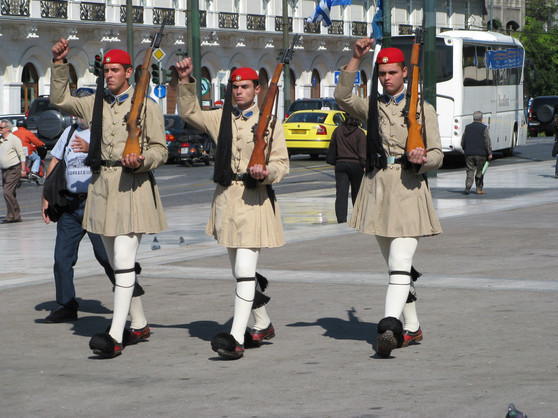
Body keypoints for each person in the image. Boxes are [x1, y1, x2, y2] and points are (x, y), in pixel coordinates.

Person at [50, 39, 168, 358]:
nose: (110, 75)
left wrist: (142, 160)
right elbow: (60, 98)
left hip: (133, 188)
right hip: (102, 189)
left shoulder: (147, 106)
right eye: (106, 70)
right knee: (118, 265)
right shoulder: (94, 103)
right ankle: (139, 322)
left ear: (129, 72)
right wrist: (60, 64)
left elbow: (160, 148)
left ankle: (116, 334)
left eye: (115, 70)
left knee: (125, 261)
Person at [334, 39, 443, 357]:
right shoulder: (372, 106)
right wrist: (356, 59)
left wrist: (424, 158)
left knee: (400, 264)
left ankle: (388, 329)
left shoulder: (423, 108)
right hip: (378, 189)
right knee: (396, 268)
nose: (386, 79)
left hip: (409, 188)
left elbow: (438, 154)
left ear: (405, 72)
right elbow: (342, 96)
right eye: (382, 74)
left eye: (392, 73)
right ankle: (412, 328)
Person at [176, 59, 289, 360]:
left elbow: (281, 164)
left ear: (257, 90)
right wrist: (186, 82)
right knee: (239, 273)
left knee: (244, 271)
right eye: (235, 87)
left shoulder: (272, 123)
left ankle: (236, 338)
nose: (239, 92)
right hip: (228, 199)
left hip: (255, 199)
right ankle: (262, 324)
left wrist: (267, 173)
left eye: (244, 87)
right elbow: (189, 113)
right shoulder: (221, 119)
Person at [41, 116, 146, 324]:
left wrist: (90, 147)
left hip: (96, 204)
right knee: (62, 258)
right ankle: (67, 305)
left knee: (107, 257)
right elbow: (55, 161)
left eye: (82, 109)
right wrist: (45, 196)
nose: (77, 115)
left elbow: (114, 157)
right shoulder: (69, 132)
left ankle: (130, 297)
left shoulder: (103, 132)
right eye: (75, 110)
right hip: (69, 207)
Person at [329, 114, 366, 223]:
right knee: (357, 193)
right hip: (356, 165)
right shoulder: (360, 133)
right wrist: (365, 165)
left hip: (341, 164)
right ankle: (358, 217)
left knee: (341, 194)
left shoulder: (338, 131)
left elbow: (333, 147)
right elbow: (363, 152)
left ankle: (341, 219)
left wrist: (335, 163)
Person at [0, 120, 26, 223]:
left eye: (1, 128)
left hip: (13, 169)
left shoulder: (14, 139)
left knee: (7, 192)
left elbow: (22, 154)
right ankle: (15, 215)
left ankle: (12, 215)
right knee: (11, 193)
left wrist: (23, 169)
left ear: (8, 128)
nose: (0, 130)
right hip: (4, 170)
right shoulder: (2, 140)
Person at [461, 111, 492, 195]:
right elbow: (487, 141)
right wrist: (489, 152)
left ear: (473, 118)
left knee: (470, 170)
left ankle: (468, 185)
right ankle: (479, 189)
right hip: (481, 154)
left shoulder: (468, 127)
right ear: (481, 118)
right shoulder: (484, 128)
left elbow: (463, 140)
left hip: (469, 153)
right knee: (480, 171)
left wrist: (464, 149)